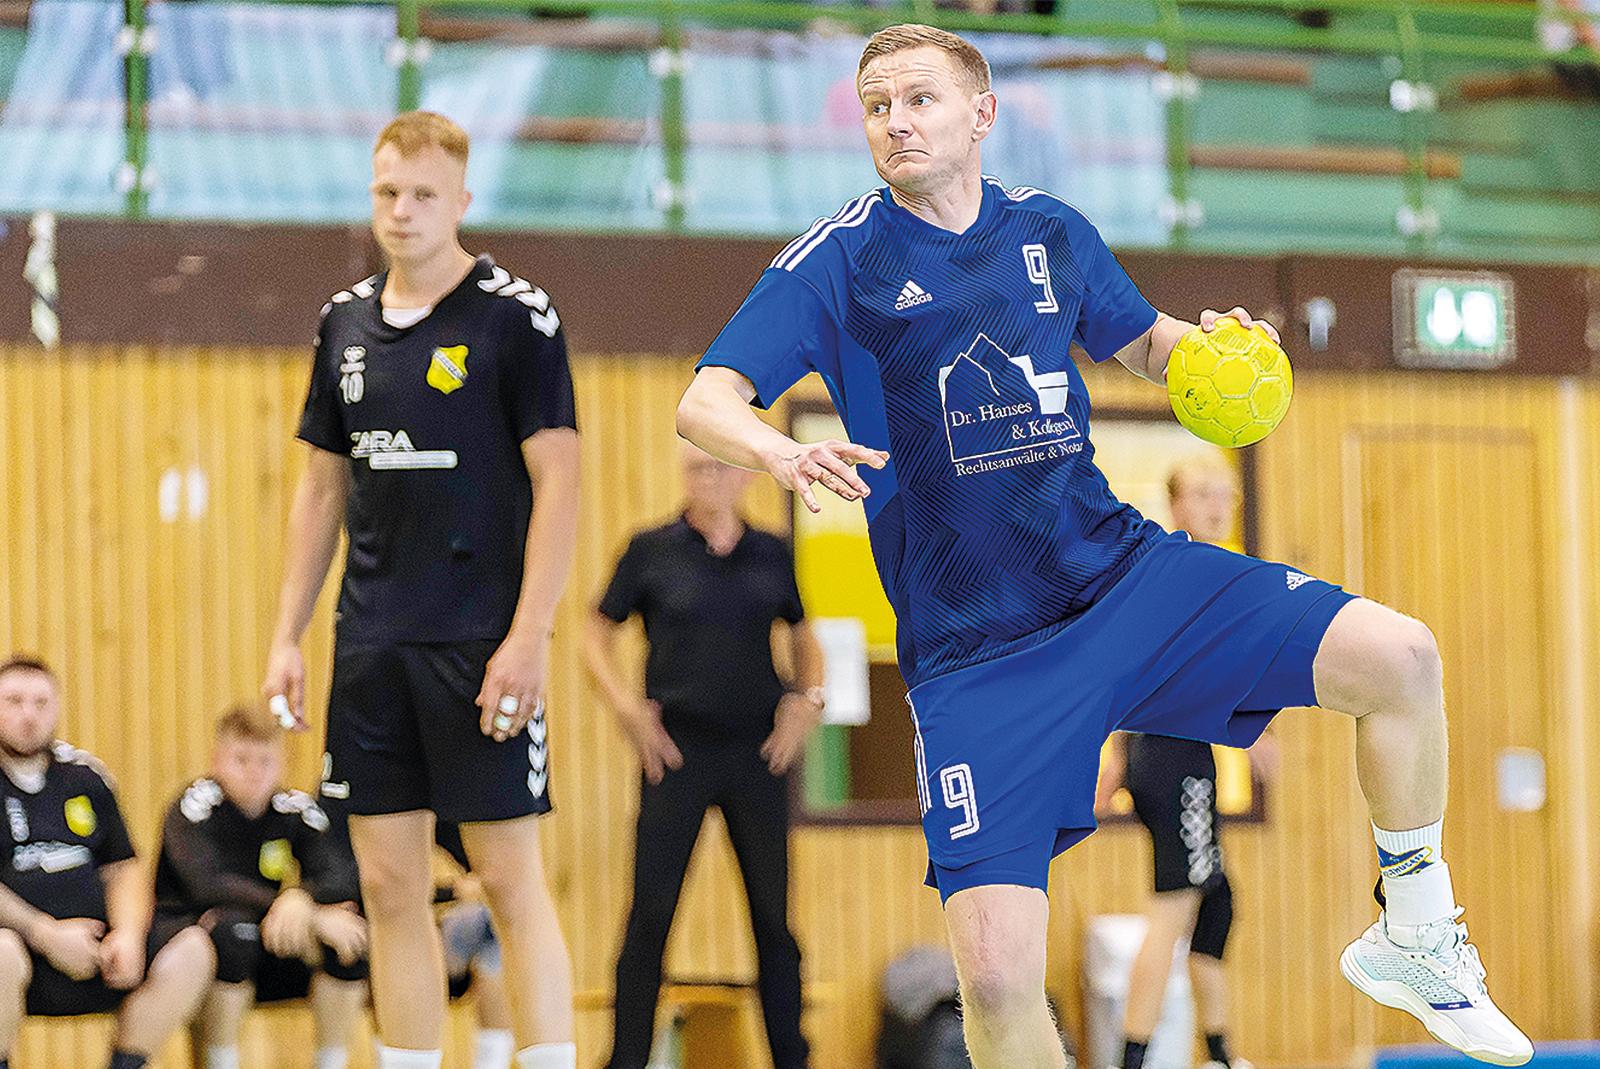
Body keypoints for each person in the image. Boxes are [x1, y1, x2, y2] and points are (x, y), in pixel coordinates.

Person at [675, 23, 1530, 1069]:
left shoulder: (1049, 232)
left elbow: (1149, 343)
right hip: (978, 656)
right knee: (996, 980)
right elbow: (704, 399)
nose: (895, 122)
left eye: (919, 99)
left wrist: (1216, 352)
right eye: (877, 105)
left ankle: (1417, 929)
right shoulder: (838, 259)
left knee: (1399, 656)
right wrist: (776, 449)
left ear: (982, 114)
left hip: (1124, 582)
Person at [261, 109, 581, 1069]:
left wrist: (529, 636)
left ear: (462, 201)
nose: (402, 211)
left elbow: (561, 482)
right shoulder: (343, 322)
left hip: (480, 646)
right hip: (371, 647)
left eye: (423, 195)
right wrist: (286, 635)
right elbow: (321, 490)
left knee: (507, 879)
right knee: (390, 885)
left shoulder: (516, 317)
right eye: (387, 192)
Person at [586, 441, 823, 1069]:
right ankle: (625, 1061)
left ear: (744, 478)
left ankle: (792, 1059)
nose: (708, 478)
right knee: (650, 916)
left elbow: (805, 634)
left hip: (758, 755)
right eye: (696, 468)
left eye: (719, 468)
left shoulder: (772, 553)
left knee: (773, 920)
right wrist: (627, 711)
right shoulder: (650, 551)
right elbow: (594, 632)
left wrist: (806, 701)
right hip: (675, 754)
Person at [1092, 457, 1272, 1069]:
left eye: (1226, 495)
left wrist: (1119, 756)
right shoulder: (1175, 573)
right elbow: (1163, 671)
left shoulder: (1204, 574)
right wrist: (1243, 725)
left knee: (1215, 903)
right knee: (1174, 906)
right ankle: (1133, 1059)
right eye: (1203, 494)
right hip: (1172, 762)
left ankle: (1219, 1053)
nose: (1218, 506)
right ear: (1175, 505)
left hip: (1177, 756)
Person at [0, 655, 215, 1069]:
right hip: (23, 947)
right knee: (1, 953)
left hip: (97, 949)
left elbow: (123, 867)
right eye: (14, 701)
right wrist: (45, 934)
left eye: (41, 703)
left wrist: (128, 934)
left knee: (193, 948)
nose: (29, 715)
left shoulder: (85, 777)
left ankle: (125, 1064)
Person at [154, 702, 369, 1069]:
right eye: (241, 760)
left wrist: (303, 900)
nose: (254, 773)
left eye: (265, 761)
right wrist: (289, 906)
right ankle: (221, 1061)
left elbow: (339, 872)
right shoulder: (196, 806)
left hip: (270, 934)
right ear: (217, 760)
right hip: (194, 939)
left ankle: (331, 1062)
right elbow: (206, 883)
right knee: (233, 934)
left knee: (348, 939)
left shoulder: (292, 809)